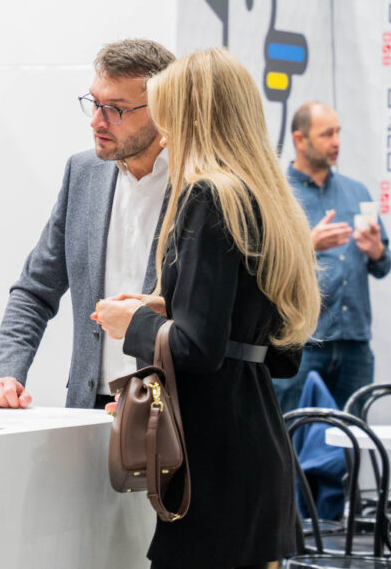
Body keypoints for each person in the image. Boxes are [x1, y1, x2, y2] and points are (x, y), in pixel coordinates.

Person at [94, 48, 319, 568]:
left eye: (168, 115)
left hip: (212, 462)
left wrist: (135, 322)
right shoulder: (268, 201)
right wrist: (174, 304)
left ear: (190, 116)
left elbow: (199, 348)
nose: (163, 133)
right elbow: (282, 353)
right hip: (258, 447)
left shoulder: (207, 196)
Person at [0, 39, 176, 410]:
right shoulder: (84, 173)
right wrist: (6, 373)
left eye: (115, 109)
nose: (96, 121)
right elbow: (35, 290)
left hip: (169, 407)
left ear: (163, 109)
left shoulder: (198, 185)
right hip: (90, 404)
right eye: (94, 103)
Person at [272, 102, 391, 412]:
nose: (336, 141)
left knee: (352, 434)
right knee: (294, 432)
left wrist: (376, 251)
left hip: (355, 344)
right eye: (327, 134)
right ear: (300, 140)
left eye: (338, 132)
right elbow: (262, 266)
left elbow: (384, 265)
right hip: (301, 343)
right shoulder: (277, 194)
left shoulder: (357, 192)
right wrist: (308, 246)